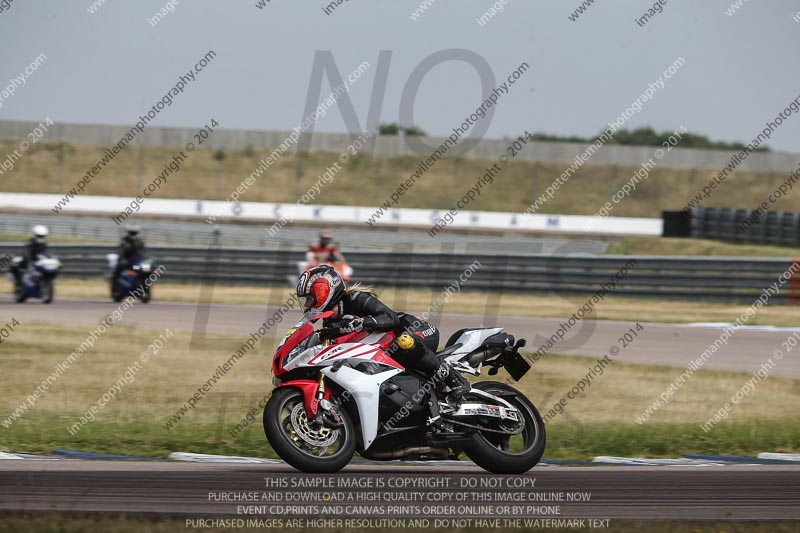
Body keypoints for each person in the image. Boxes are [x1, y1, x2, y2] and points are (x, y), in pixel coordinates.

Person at [295, 265, 471, 402]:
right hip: (388, 352)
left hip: (415, 330)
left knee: (403, 342)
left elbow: (390, 317)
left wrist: (363, 322)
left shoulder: (356, 298)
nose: (308, 304)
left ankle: (455, 379)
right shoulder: (330, 323)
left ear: (324, 290)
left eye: (310, 297)